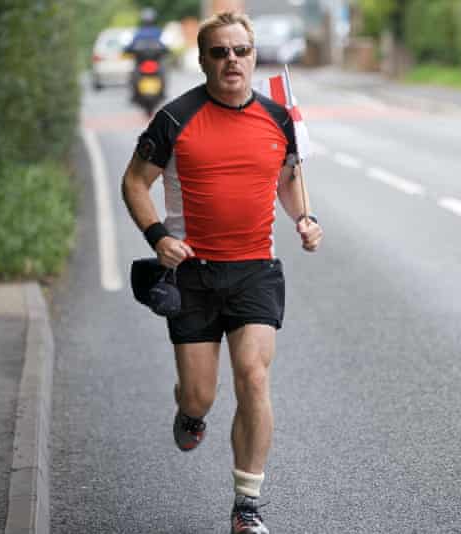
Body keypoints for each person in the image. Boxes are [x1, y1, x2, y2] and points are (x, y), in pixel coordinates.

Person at [121, 11, 323, 534]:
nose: (231, 60)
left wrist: (304, 217)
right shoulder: (174, 118)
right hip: (192, 273)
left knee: (253, 375)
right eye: (220, 52)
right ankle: (190, 413)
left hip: (255, 268)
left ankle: (246, 505)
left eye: (241, 51)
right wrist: (158, 238)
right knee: (200, 395)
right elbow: (134, 183)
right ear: (204, 59)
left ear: (254, 56)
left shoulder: (279, 118)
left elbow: (289, 178)